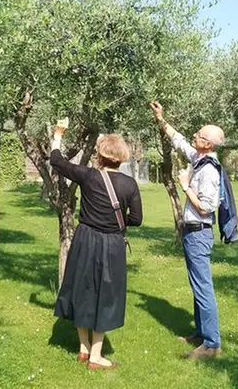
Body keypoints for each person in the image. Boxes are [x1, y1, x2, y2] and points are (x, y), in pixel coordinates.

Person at [50, 121, 142, 370]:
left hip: (84, 238)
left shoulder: (88, 176)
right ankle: (96, 356)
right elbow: (137, 219)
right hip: (111, 243)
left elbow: (57, 162)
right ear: (121, 158)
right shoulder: (129, 185)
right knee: (106, 295)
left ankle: (83, 348)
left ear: (100, 155)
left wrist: (58, 135)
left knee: (82, 288)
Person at [150, 100, 224, 360]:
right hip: (192, 232)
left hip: (200, 232)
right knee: (197, 285)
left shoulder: (210, 172)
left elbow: (206, 207)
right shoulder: (198, 159)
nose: (195, 135)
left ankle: (212, 344)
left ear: (209, 144)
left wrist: (184, 185)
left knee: (203, 287)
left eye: (200, 135)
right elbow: (180, 141)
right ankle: (202, 333)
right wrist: (161, 119)